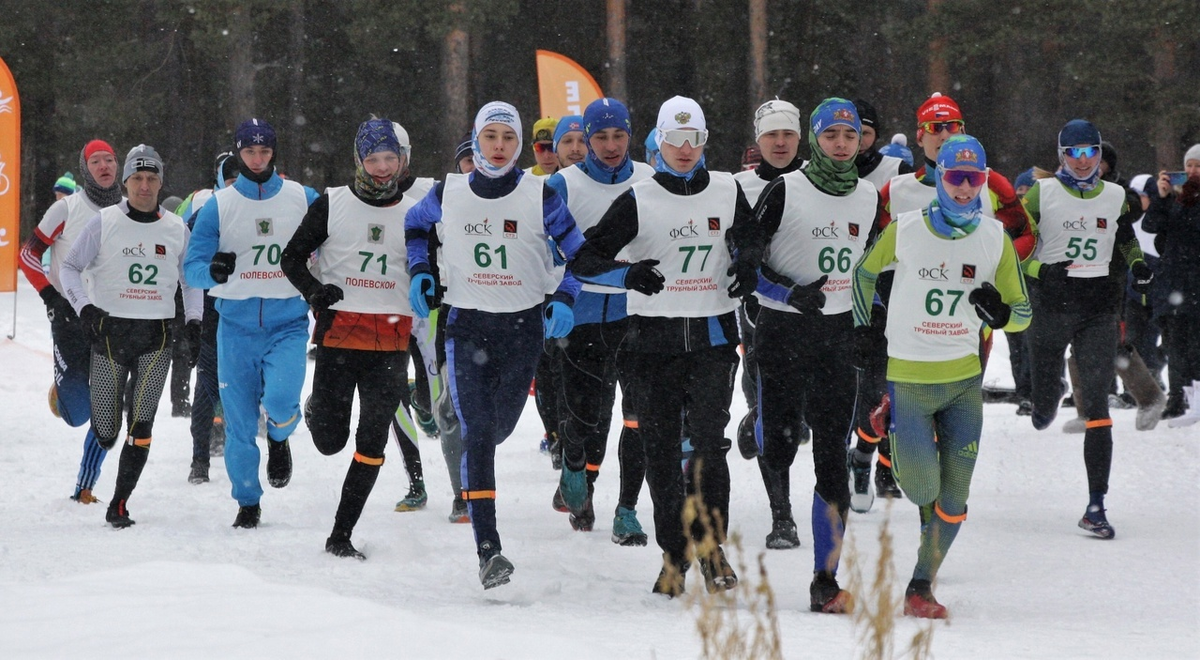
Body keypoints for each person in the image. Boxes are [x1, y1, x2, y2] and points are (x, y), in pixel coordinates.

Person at [572, 95, 762, 597]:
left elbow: (752, 239)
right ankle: (673, 553)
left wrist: (746, 261)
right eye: (674, 140)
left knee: (706, 445)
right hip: (649, 343)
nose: (684, 149)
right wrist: (627, 274)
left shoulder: (725, 189)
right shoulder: (639, 198)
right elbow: (585, 261)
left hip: (712, 338)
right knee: (658, 451)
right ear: (659, 141)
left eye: (694, 139)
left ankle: (712, 546)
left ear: (704, 142)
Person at [405, 101, 583, 589]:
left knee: (500, 428)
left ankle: (469, 438)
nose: (499, 146)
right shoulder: (450, 190)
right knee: (478, 432)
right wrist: (421, 270)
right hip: (465, 327)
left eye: (508, 137)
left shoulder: (540, 193)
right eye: (490, 137)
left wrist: (565, 295)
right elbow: (415, 226)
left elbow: (579, 254)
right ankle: (489, 549)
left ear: (519, 143)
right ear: (476, 139)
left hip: (523, 328)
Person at [852, 134, 1031, 619]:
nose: (965, 187)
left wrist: (1000, 314)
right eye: (955, 176)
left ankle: (920, 586)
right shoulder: (906, 229)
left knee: (954, 497)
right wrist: (864, 327)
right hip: (909, 379)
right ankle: (883, 420)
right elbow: (864, 274)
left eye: (974, 178)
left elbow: (1022, 314)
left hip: (964, 381)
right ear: (939, 177)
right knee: (922, 490)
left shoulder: (994, 236)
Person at [856, 92, 1034, 506]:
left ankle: (927, 497)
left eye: (952, 126)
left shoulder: (992, 183)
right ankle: (867, 452)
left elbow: (1025, 235)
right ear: (920, 136)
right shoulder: (897, 190)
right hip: (905, 317)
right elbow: (867, 251)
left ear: (964, 132)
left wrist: (997, 273)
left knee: (948, 405)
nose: (944, 135)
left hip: (968, 322)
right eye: (935, 128)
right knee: (887, 399)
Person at [749, 98, 879, 612]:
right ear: (815, 139)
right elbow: (744, 263)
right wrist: (787, 293)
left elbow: (870, 267)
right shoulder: (785, 189)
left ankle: (825, 579)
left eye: (850, 136)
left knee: (831, 457)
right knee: (780, 446)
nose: (842, 145)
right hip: (782, 331)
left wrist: (870, 326)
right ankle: (759, 422)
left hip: (836, 337)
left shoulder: (869, 196)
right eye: (831, 136)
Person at [281, 118, 420, 559]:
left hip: (392, 343)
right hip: (340, 339)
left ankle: (340, 535)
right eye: (374, 159)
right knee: (329, 442)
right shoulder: (332, 203)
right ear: (359, 160)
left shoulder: (417, 210)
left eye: (390, 158)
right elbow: (291, 258)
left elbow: (434, 263)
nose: (382, 168)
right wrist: (314, 291)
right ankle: (315, 410)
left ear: (402, 160)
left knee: (372, 441)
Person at [184, 118, 320, 529]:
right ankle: (247, 501)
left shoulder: (303, 197)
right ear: (237, 153)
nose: (257, 159)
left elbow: (338, 242)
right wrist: (214, 272)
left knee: (281, 401)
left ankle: (279, 438)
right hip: (235, 329)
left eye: (264, 151)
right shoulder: (218, 205)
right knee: (239, 423)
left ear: (274, 152)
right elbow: (191, 269)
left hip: (288, 324)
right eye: (249, 152)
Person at [59, 144, 203, 528]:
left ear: (160, 182)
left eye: (151, 178)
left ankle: (119, 502)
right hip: (109, 335)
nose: (144, 186)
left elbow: (190, 281)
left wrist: (193, 321)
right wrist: (84, 308)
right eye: (137, 178)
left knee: (142, 425)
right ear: (125, 183)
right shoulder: (105, 221)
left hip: (155, 337)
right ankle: (104, 455)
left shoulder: (176, 227)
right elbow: (70, 267)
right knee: (106, 431)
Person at [1022, 120, 1154, 539]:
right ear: (1061, 155)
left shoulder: (1115, 196)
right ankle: (1047, 395)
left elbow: (1126, 238)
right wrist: (1044, 270)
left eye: (1090, 152)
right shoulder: (1041, 193)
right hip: (1050, 303)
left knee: (1098, 404)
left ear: (1100, 154)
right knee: (1041, 403)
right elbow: (1013, 248)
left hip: (1097, 306)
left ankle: (1096, 505)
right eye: (1073, 153)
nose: (1082, 161)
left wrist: (1137, 266)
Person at [545, 97, 655, 541]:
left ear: (631, 134)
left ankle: (626, 510)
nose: (610, 145)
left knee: (639, 415)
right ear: (586, 139)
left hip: (639, 313)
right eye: (600, 137)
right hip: (583, 313)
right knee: (587, 415)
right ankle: (575, 464)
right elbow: (555, 252)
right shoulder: (563, 185)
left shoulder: (649, 179)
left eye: (619, 135)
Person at [19, 139, 124, 504]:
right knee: (77, 414)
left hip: (111, 318)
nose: (104, 166)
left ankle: (85, 487)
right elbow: (27, 255)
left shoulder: (128, 210)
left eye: (109, 159)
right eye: (95, 161)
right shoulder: (66, 208)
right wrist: (51, 297)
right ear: (85, 169)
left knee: (107, 408)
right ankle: (63, 394)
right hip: (69, 315)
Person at [731, 99, 804, 470]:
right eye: (771, 134)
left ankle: (788, 417)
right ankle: (758, 413)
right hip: (758, 291)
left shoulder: (813, 177)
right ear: (758, 140)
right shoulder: (738, 184)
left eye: (788, 133)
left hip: (809, 293)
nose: (780, 142)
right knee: (758, 361)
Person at [179, 152, 238, 484]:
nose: (235, 188)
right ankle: (199, 459)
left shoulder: (259, 210)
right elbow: (185, 259)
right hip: (214, 310)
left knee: (248, 384)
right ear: (219, 183)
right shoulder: (206, 212)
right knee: (207, 384)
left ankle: (242, 450)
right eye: (229, 182)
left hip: (249, 310)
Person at [1143, 144, 1200, 425]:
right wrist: (1162, 198)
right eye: (1188, 166)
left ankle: (1196, 400)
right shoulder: (1174, 201)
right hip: (1173, 284)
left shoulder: (1190, 203)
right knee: (1175, 346)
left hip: (1195, 285)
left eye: (1198, 166)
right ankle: (1178, 399)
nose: (1191, 172)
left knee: (1195, 347)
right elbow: (1151, 227)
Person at [854, 99, 914, 190]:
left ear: (876, 135)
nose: (859, 141)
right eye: (852, 133)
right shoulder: (826, 174)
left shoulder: (898, 170)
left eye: (866, 133)